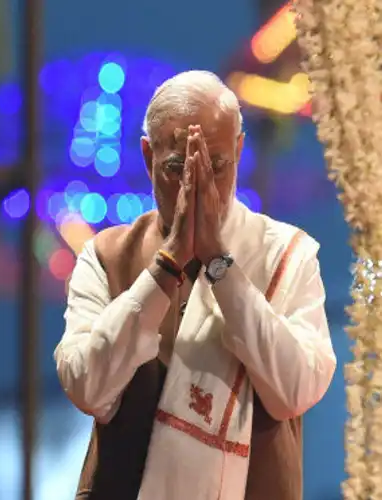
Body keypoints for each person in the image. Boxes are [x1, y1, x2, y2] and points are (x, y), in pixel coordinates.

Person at [53, 71, 336, 500]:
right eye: (176, 167)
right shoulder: (105, 256)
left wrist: (220, 266)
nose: (197, 185)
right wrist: (165, 268)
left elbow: (295, 390)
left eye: (216, 165)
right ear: (147, 156)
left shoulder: (286, 254)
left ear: (239, 149)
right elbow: (87, 386)